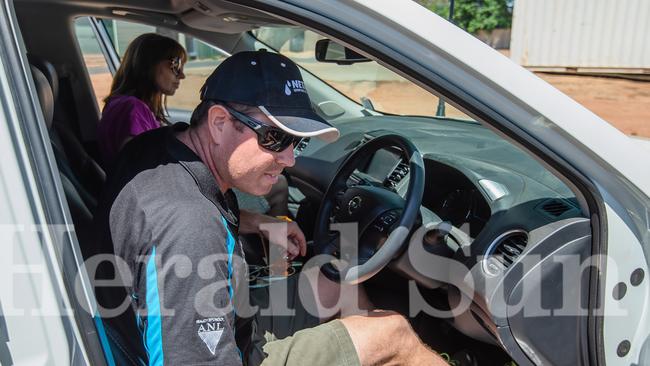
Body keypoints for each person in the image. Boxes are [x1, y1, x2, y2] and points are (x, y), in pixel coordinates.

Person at [93, 50, 445, 365]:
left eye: (296, 142)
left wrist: (256, 221)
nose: (289, 159)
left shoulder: (154, 151)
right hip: (239, 349)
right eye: (275, 138)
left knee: (334, 275)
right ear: (218, 123)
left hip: (233, 315)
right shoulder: (189, 227)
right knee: (393, 333)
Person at [97, 33, 186, 165]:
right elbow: (138, 170)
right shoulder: (133, 109)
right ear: (150, 63)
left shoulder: (122, 104)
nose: (182, 75)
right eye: (176, 65)